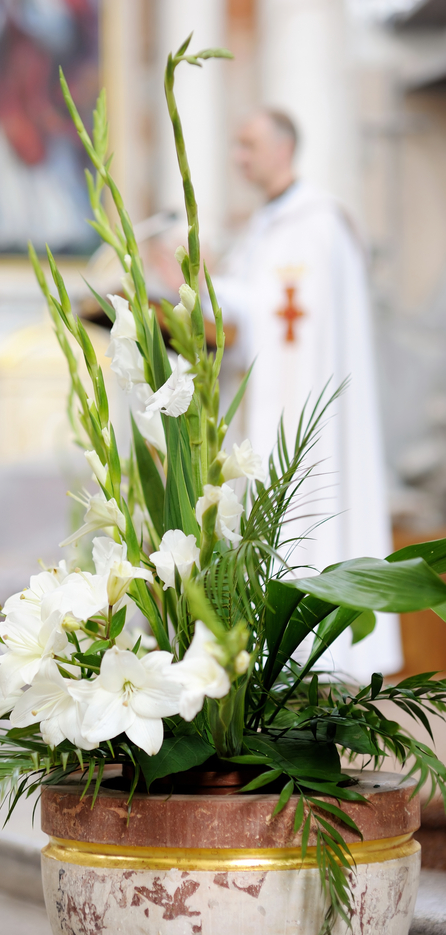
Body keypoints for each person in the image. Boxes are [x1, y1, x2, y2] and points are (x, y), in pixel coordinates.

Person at [209, 109, 402, 682]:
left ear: (284, 147)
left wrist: (207, 289)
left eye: (249, 144)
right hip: (266, 405)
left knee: (311, 515)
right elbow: (249, 321)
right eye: (237, 146)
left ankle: (322, 658)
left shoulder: (316, 225)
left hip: (305, 409)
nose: (239, 157)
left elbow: (284, 319)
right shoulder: (264, 227)